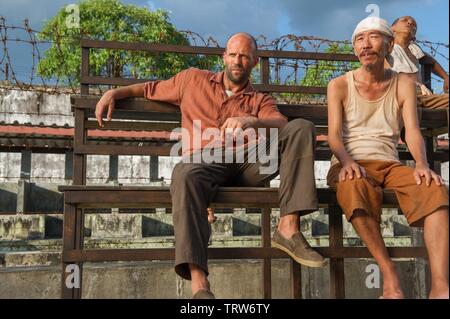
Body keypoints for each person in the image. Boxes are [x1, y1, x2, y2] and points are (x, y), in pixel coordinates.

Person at [95, 32, 326, 299]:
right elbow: (147, 89)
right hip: (204, 165)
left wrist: (252, 120)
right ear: (224, 57)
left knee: (301, 127)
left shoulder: (260, 99)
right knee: (184, 172)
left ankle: (288, 228)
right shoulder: (191, 79)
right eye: (233, 54)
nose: (238, 61)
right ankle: (199, 284)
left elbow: (282, 125)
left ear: (253, 62)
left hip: (248, 167)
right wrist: (113, 92)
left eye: (245, 56)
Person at [327, 17, 449, 299]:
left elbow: (413, 132)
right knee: (353, 186)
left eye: (373, 37)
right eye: (359, 39)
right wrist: (347, 162)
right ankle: (390, 276)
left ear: (390, 44)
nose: (366, 45)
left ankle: (441, 288)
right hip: (350, 163)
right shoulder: (339, 85)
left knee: (435, 189)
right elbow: (333, 136)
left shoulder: (404, 83)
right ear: (354, 48)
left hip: (390, 164)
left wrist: (421, 164)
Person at [387, 16, 448, 110]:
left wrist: (446, 77)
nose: (410, 23)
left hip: (423, 96)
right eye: (404, 21)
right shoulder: (386, 48)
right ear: (392, 28)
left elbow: (431, 62)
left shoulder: (414, 50)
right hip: (398, 93)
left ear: (414, 36)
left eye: (414, 24)